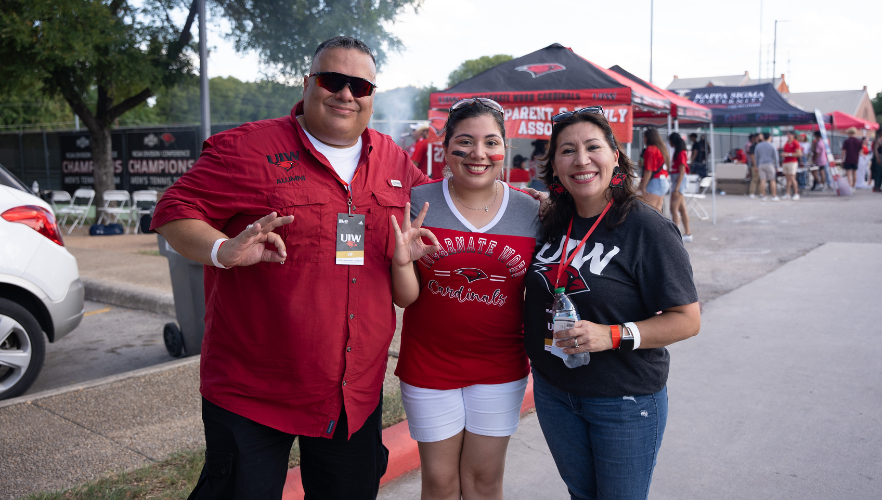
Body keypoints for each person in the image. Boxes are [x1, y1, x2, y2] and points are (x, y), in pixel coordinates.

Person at [151, 36, 430, 500]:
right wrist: (223, 249)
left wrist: (538, 205)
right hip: (253, 391)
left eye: (359, 85)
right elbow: (174, 209)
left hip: (352, 393)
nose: (346, 94)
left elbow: (451, 206)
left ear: (371, 95)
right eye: (332, 80)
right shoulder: (246, 148)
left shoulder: (394, 160)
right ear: (307, 84)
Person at [523, 108, 701, 500]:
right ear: (553, 164)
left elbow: (687, 320)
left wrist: (611, 335)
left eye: (593, 147)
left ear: (615, 156)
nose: (581, 160)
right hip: (555, 392)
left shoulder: (646, 228)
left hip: (624, 399)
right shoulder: (552, 220)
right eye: (567, 150)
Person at [390, 98, 541, 499]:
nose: (478, 153)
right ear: (444, 147)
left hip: (500, 366)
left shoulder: (530, 210)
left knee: (483, 483)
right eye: (465, 141)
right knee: (439, 484)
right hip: (429, 364)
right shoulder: (417, 202)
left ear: (504, 149)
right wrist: (403, 262)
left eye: (491, 142)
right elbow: (405, 299)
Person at [637, 128, 670, 211]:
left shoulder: (650, 149)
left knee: (650, 212)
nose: (643, 139)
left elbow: (649, 170)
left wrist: (643, 186)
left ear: (648, 137)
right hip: (662, 181)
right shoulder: (661, 148)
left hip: (655, 182)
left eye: (644, 137)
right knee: (658, 211)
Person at [669, 132, 692, 242]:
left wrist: (677, 188)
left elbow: (682, 172)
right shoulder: (678, 152)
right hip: (677, 180)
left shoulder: (681, 153)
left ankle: (675, 236)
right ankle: (688, 233)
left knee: (674, 208)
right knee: (682, 209)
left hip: (679, 181)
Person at [754, 133, 780, 201]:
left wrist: (756, 166)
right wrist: (777, 166)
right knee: (772, 180)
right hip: (769, 164)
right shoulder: (772, 145)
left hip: (760, 165)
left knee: (763, 180)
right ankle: (774, 196)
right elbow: (776, 157)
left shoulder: (758, 146)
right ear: (769, 137)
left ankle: (763, 196)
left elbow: (756, 157)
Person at [781, 130, 802, 200]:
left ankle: (796, 193)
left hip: (792, 162)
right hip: (786, 162)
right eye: (788, 134)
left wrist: (789, 154)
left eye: (790, 135)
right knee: (787, 179)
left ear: (793, 135)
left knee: (792, 178)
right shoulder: (786, 143)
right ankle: (787, 193)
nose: (788, 136)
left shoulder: (795, 143)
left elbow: (798, 154)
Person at [748, 134, 762, 198]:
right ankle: (752, 192)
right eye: (760, 136)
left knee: (759, 179)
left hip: (761, 164)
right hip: (755, 165)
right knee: (754, 179)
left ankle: (759, 192)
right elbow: (752, 157)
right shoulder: (753, 146)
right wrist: (755, 165)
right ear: (756, 137)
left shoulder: (761, 144)